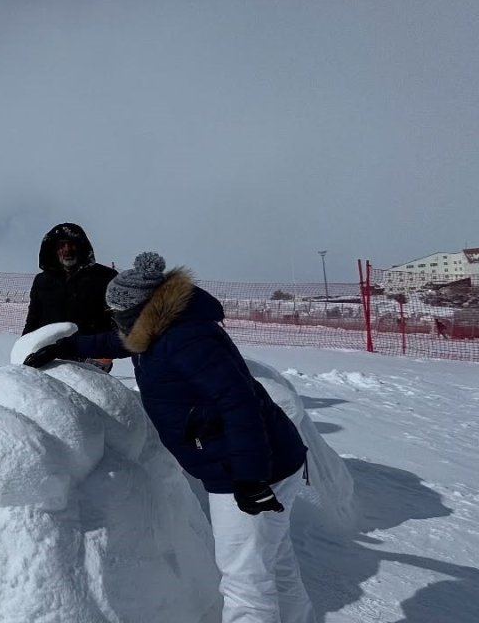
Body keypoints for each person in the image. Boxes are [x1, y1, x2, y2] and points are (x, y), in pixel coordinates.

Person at [25, 252, 313, 623]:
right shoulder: (163, 329)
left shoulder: (187, 339)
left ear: (141, 311)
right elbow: (120, 343)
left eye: (118, 314)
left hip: (246, 470)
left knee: (245, 582)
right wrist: (68, 347)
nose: (115, 321)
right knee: (275, 559)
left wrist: (249, 477)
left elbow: (239, 404)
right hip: (272, 457)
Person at [22, 222, 119, 371]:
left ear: (82, 247)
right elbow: (33, 319)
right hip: (48, 357)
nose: (67, 250)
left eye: (72, 245)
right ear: (53, 250)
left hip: (90, 357)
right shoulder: (42, 281)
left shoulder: (105, 277)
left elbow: (117, 321)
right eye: (61, 245)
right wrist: (23, 348)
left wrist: (105, 356)